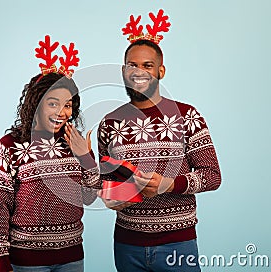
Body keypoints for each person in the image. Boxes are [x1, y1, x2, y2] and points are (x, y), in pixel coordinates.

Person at [98, 10, 221, 272]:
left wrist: (169, 184)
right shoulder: (110, 122)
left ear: (161, 71)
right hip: (127, 245)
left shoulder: (187, 115)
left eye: (147, 65)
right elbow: (105, 180)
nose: (138, 71)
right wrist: (109, 196)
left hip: (177, 245)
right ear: (123, 70)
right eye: (132, 65)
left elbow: (212, 176)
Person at [0, 36, 99, 272]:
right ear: (36, 104)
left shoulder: (74, 143)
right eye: (53, 103)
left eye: (68, 105)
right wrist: (1, 260)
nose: (62, 112)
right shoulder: (9, 146)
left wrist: (86, 157)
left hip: (72, 256)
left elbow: (89, 197)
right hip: (26, 261)